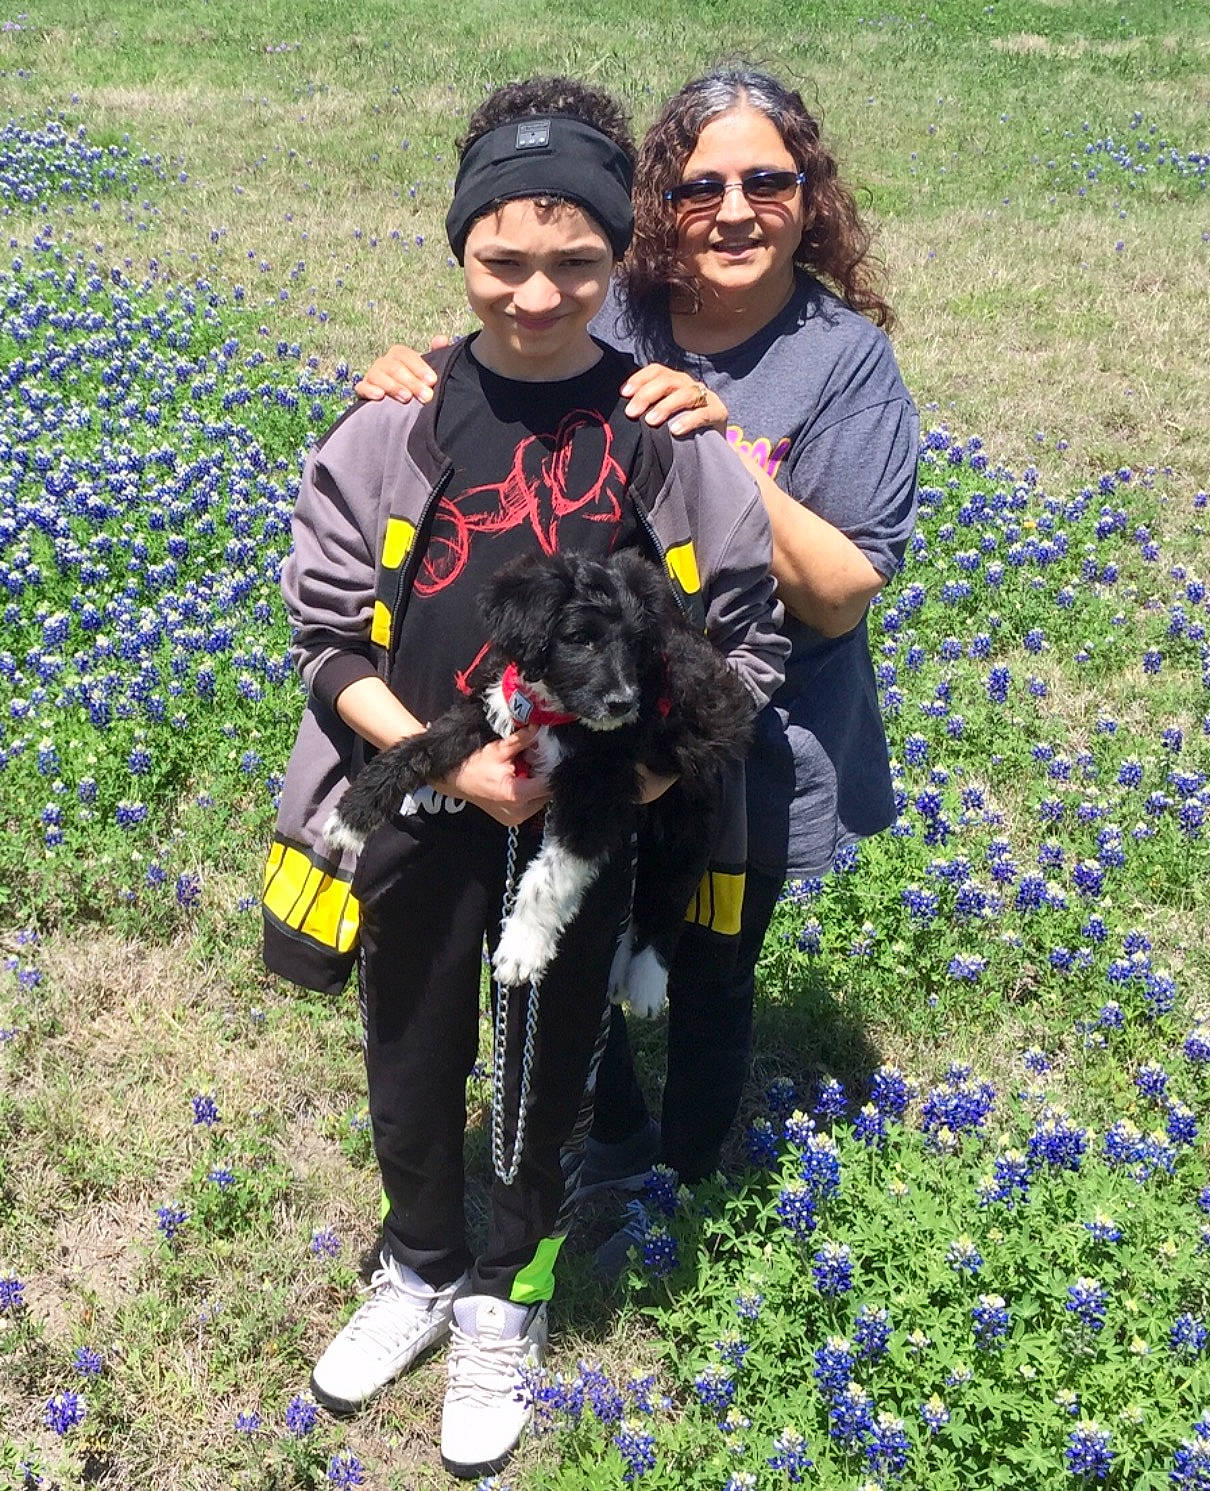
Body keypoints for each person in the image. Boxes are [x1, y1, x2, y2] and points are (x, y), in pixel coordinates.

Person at [265, 77, 786, 1477]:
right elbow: (322, 636)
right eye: (503, 262)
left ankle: (508, 1288)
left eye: (575, 263)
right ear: (458, 253)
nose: (539, 295)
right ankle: (419, 1258)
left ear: (619, 257)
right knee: (413, 1038)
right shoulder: (393, 421)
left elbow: (746, 651)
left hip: (600, 824)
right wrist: (435, 761)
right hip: (430, 800)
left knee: (548, 1070)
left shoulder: (671, 437)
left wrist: (633, 795)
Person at [355, 67, 920, 1214]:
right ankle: (602, 1156)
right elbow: (518, 326)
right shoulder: (618, 307)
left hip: (757, 732)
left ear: (809, 196)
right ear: (655, 205)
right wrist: (407, 370)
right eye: (701, 183)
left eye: (768, 179)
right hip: (595, 719)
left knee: (710, 967)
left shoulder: (845, 358)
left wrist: (725, 456)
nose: (733, 208)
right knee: (586, 969)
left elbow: (843, 593)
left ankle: (688, 1183)